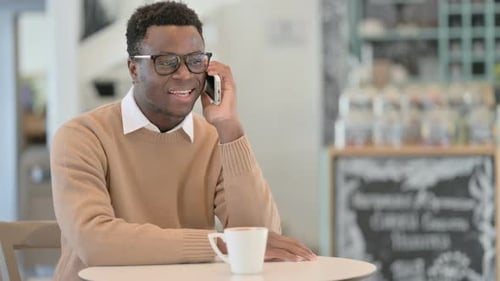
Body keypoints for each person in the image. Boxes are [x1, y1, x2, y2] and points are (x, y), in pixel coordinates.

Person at [50, 1, 316, 280]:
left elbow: (261, 238)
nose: (185, 74)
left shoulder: (215, 139)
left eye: (195, 60)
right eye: (166, 62)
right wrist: (219, 244)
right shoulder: (82, 137)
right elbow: (96, 243)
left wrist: (230, 127)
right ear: (133, 69)